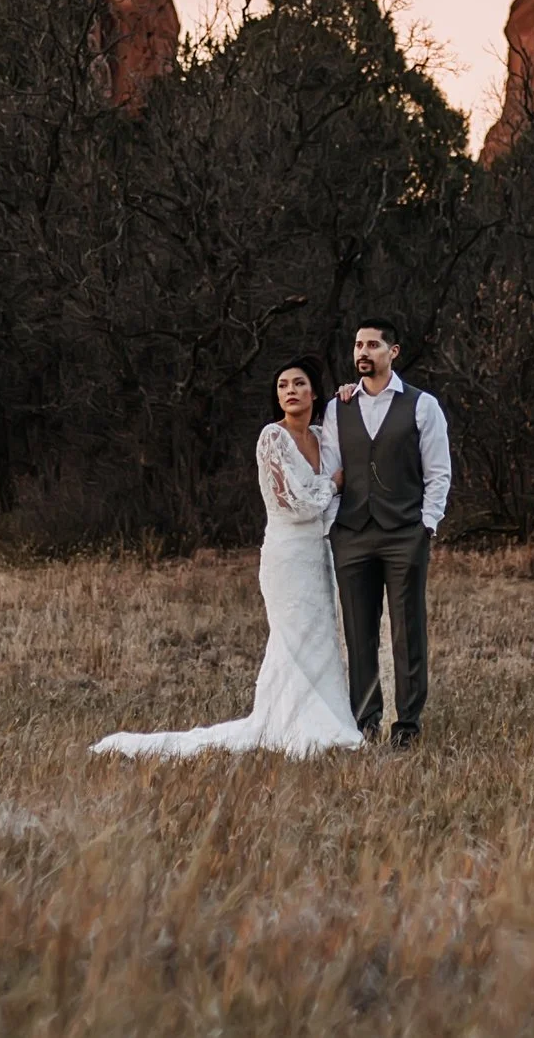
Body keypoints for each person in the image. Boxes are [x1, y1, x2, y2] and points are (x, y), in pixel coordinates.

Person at [92, 356, 365, 759]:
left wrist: (350, 394)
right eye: (282, 385)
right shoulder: (272, 438)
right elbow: (294, 503)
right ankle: (294, 724)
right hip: (287, 555)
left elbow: (355, 439)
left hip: (319, 554)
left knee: (320, 636)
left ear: (314, 392)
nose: (290, 391)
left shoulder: (324, 436)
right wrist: (332, 484)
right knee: (291, 637)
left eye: (298, 384)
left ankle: (321, 718)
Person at [324, 318, 451, 748]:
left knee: (406, 630)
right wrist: (335, 524)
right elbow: (330, 469)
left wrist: (426, 526)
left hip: (404, 534)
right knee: (358, 633)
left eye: (373, 345)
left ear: (393, 352)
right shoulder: (337, 406)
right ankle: (365, 721)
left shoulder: (422, 405)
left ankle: (408, 725)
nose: (363, 352)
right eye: (358, 344)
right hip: (352, 533)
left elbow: (439, 472)